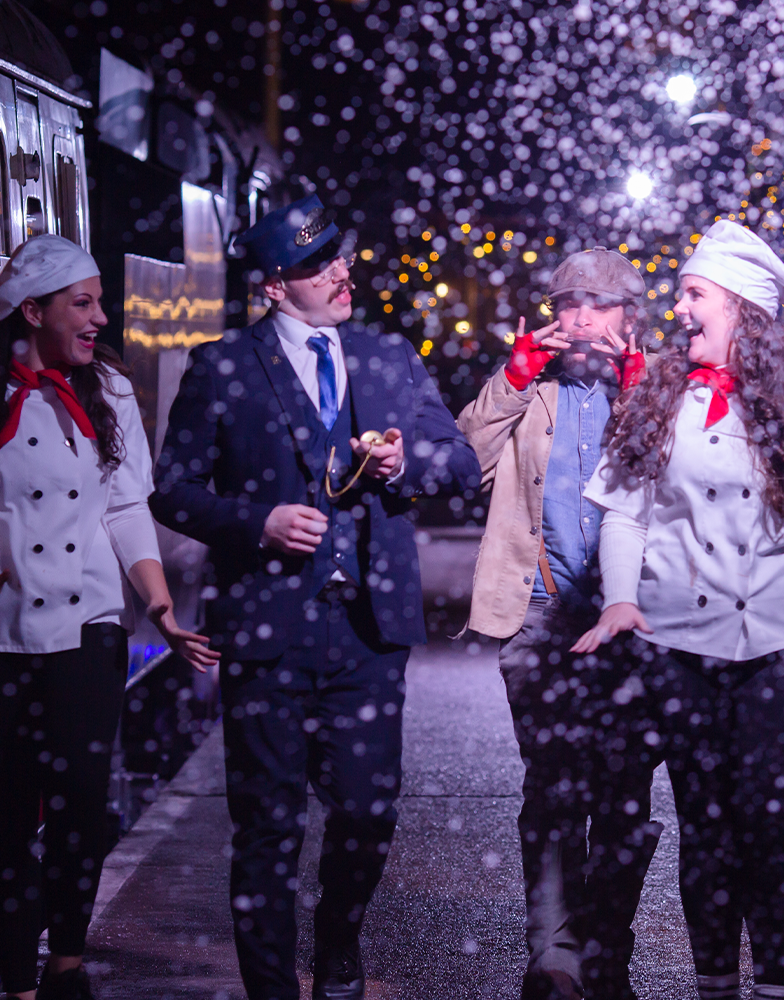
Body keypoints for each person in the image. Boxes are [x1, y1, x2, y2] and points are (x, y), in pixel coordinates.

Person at [574, 220, 784, 1000]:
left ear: (741, 309)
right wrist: (622, 598)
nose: (681, 309)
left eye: (695, 295)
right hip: (682, 645)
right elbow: (626, 514)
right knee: (707, 829)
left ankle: (780, 987)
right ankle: (716, 986)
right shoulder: (660, 390)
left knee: (774, 824)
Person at [149, 194, 480, 1000]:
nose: (338, 273)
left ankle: (338, 942)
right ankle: (270, 989)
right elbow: (172, 492)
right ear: (273, 287)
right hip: (267, 633)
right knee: (266, 827)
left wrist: (407, 467)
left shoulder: (387, 356)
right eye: (313, 266)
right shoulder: (221, 366)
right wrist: (255, 521)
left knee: (368, 815)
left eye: (337, 256)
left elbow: (461, 462)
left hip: (369, 631)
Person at [0, 235, 218, 1000]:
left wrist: (157, 604)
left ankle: (69, 965)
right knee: (8, 812)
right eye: (82, 304)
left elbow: (125, 510)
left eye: (97, 301)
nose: (100, 317)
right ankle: (18, 982)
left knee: (83, 801)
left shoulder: (109, 391)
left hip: (89, 622)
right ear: (33, 311)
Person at [457, 248, 658, 1000]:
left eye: (599, 304)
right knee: (552, 788)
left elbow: (675, 479)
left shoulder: (660, 386)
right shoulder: (527, 388)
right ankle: (553, 958)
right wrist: (510, 377)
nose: (580, 318)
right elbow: (459, 466)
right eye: (568, 303)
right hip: (540, 618)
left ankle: (608, 951)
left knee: (624, 796)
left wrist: (640, 388)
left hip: (634, 623)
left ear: (629, 317)